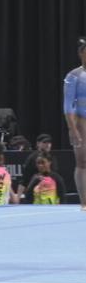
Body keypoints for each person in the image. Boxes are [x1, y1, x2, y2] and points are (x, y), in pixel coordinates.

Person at [63, 38, 86, 210]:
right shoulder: (73, 76)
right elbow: (68, 104)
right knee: (82, 162)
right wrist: (73, 129)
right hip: (81, 121)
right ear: (80, 53)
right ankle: (84, 201)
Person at [17, 134, 54, 198]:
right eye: (45, 142)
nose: (48, 145)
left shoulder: (52, 158)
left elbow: (55, 177)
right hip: (34, 195)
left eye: (49, 142)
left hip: (50, 194)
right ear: (38, 144)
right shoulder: (32, 158)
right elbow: (24, 180)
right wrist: (18, 198)